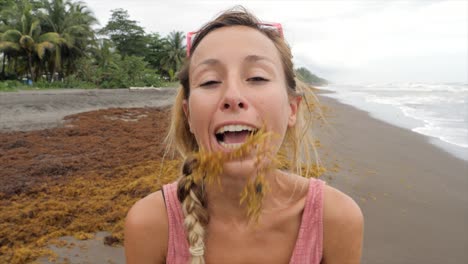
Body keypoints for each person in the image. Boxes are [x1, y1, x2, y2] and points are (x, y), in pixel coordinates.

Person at [124, 7, 363, 264]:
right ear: (189, 116)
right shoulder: (151, 223)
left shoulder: (335, 219)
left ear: (291, 109)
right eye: (210, 81)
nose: (233, 97)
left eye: (257, 77)